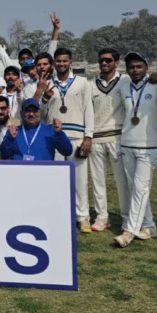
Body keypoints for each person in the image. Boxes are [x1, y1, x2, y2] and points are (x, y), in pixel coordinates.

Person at [36, 37, 95, 232]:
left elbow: (88, 110)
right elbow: (40, 112)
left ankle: (83, 217)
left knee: (80, 180)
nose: (61, 64)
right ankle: (59, 215)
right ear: (54, 63)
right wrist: (45, 96)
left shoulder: (82, 82)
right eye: (58, 61)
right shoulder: (47, 83)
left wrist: (88, 136)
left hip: (77, 135)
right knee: (56, 180)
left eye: (65, 61)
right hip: (54, 137)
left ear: (71, 62)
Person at [114, 52, 157, 248]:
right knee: (135, 189)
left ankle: (130, 231)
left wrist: (154, 129)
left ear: (146, 67)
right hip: (127, 143)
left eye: (139, 66)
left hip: (149, 145)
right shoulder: (124, 88)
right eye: (131, 67)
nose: (135, 70)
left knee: (140, 188)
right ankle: (149, 226)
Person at [88, 48, 130, 233]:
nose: (104, 63)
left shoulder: (126, 81)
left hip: (118, 137)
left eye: (108, 60)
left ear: (116, 62)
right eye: (101, 60)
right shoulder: (91, 85)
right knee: (98, 181)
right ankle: (101, 216)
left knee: (122, 181)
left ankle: (127, 217)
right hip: (96, 138)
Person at [0, 98, 73, 160]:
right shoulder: (14, 131)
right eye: (28, 111)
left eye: (34, 111)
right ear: (21, 113)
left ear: (40, 113)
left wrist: (59, 133)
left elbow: (67, 151)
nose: (31, 114)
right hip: (19, 173)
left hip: (43, 173)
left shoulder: (50, 131)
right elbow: (3, 155)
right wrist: (10, 139)